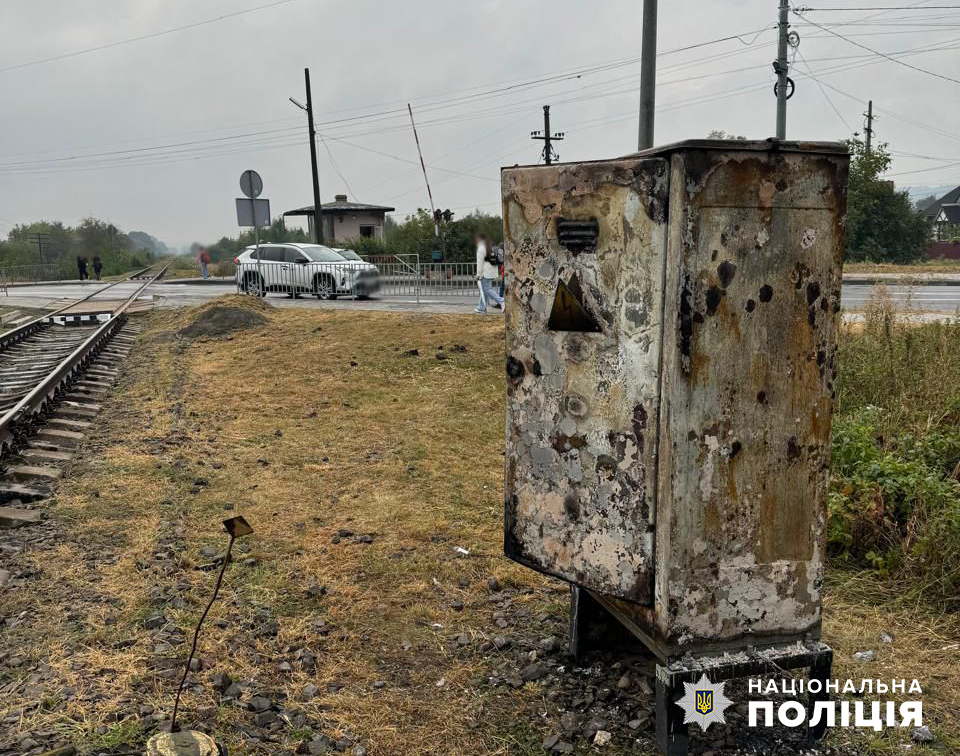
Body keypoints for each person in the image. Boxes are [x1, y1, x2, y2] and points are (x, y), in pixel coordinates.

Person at [474, 234, 504, 314]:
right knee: (485, 290)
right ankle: (481, 307)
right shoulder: (490, 246)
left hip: (485, 272)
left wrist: (478, 274)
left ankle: (501, 300)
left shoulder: (481, 248)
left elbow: (480, 263)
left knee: (486, 289)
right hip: (493, 272)